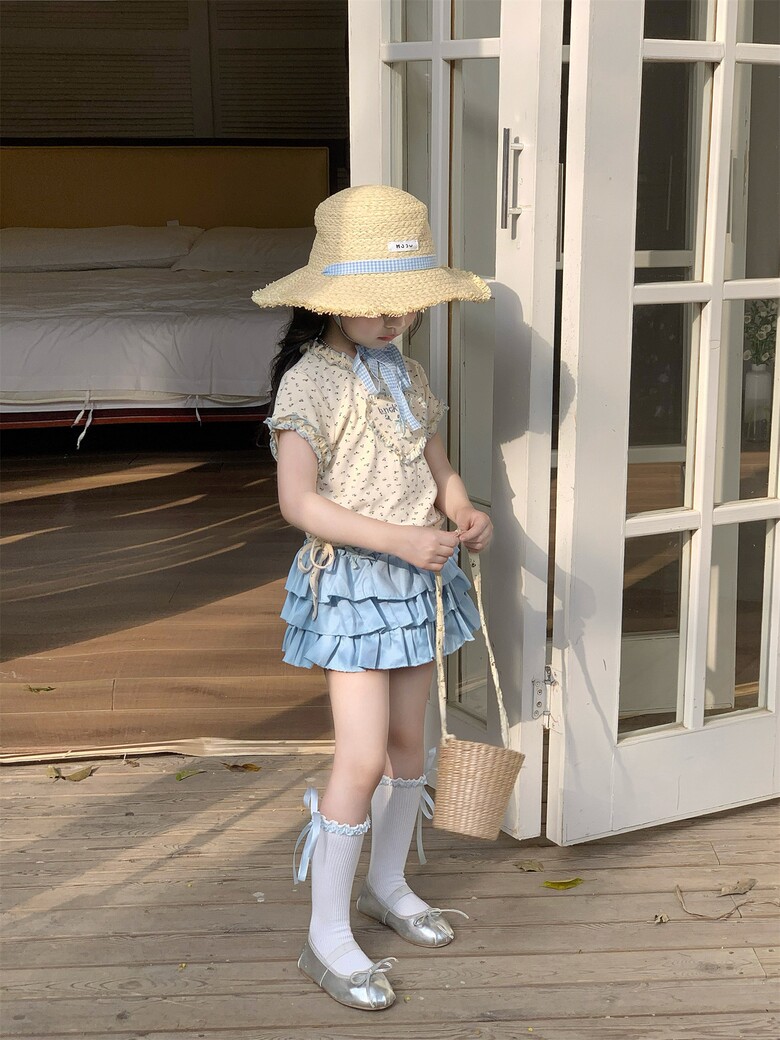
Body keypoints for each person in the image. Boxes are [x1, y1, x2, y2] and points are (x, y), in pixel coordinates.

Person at [251, 184, 492, 1012]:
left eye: (408, 302)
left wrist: (462, 509)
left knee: (408, 747)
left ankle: (387, 884)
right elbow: (298, 503)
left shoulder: (406, 373)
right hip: (356, 588)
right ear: (330, 299)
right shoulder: (309, 386)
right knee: (358, 758)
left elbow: (435, 464)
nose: (396, 318)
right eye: (377, 303)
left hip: (417, 583)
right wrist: (398, 539)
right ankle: (326, 933)